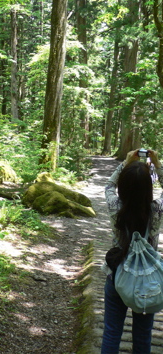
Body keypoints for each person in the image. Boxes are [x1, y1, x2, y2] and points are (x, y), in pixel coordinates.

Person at [101, 149, 163, 354]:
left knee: (111, 334)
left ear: (123, 187)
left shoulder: (115, 207)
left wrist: (125, 164)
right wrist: (158, 165)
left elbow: (109, 186)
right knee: (143, 338)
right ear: (149, 188)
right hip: (147, 281)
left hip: (117, 276)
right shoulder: (156, 210)